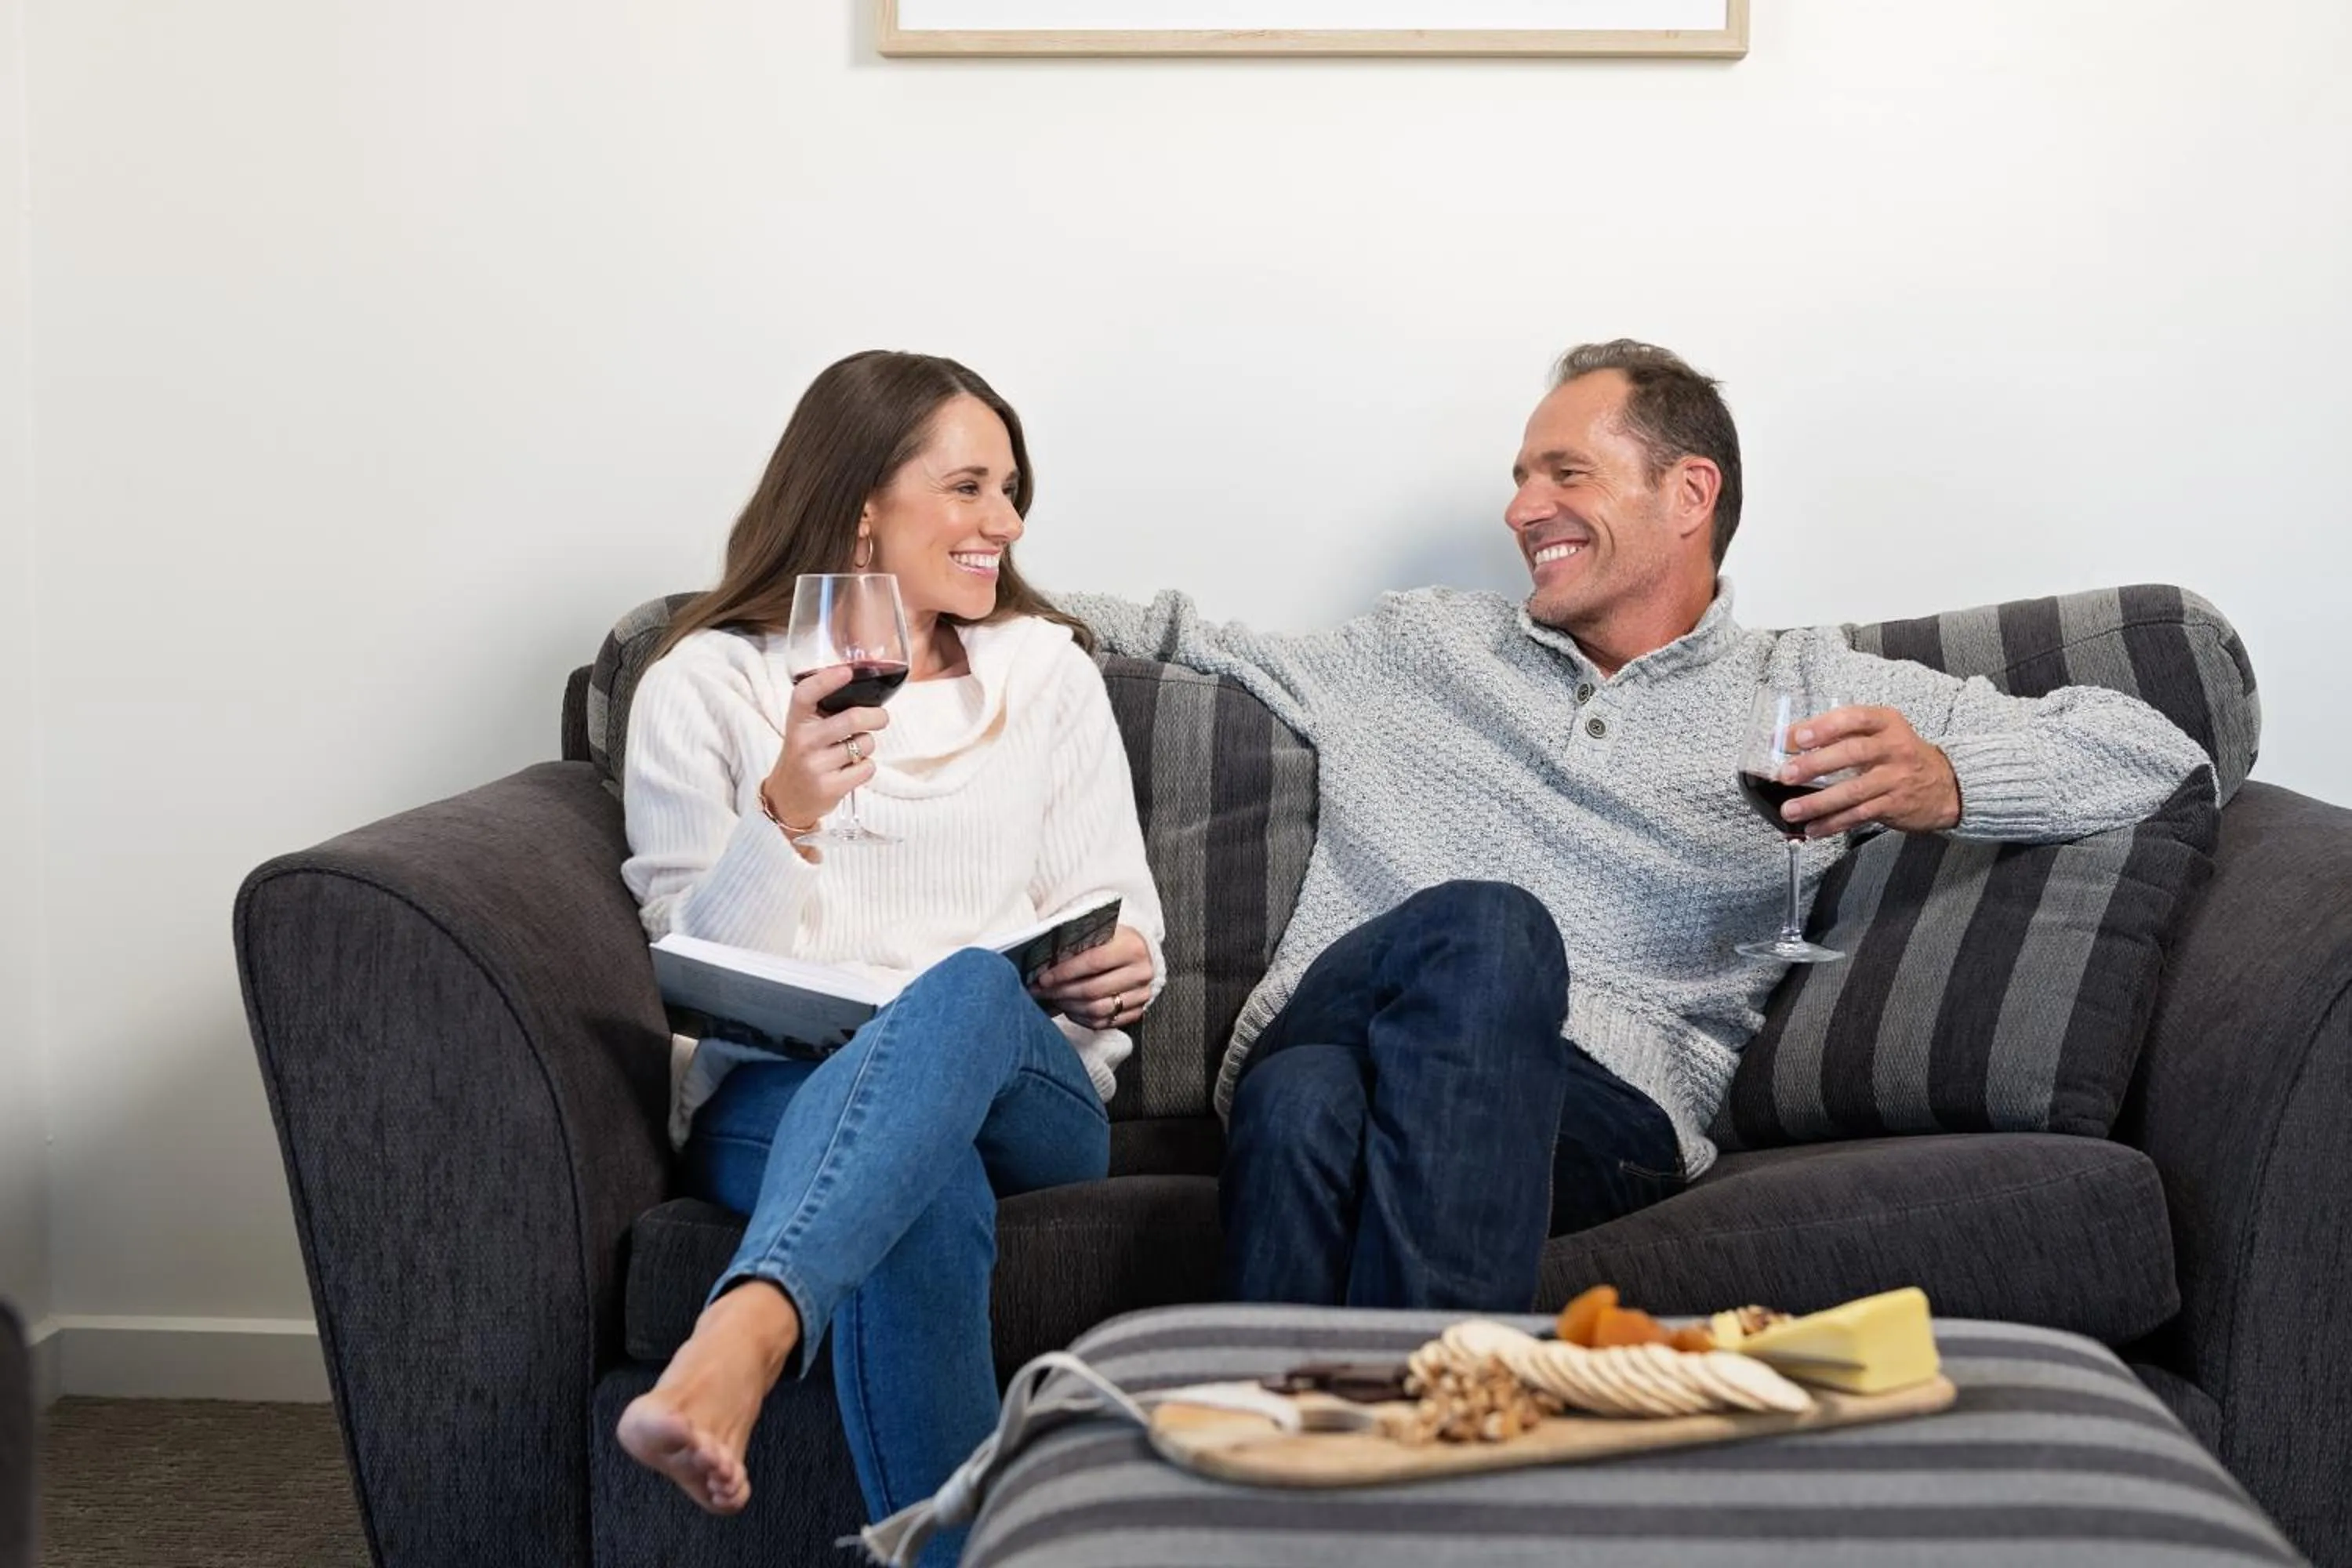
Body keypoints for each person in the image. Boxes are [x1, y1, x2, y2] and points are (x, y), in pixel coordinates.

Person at [1064, 339, 2209, 1313]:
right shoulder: (1421, 646)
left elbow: (2157, 750)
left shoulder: (1806, 689)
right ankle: (1450, 1448)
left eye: (1566, 472)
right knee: (1481, 932)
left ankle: (1286, 1474)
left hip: (1598, 1102)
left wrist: (1949, 780)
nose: (1521, 509)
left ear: (1689, 495)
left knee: (1309, 1110)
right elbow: (1170, 633)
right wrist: (940, 586)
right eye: (1520, 477)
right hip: (1339, 1009)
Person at [612, 350, 1165, 1561]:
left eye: (1011, 491)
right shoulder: (703, 687)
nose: (1004, 523)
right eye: (970, 487)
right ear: (865, 500)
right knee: (921, 1191)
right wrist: (786, 817)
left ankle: (748, 1330)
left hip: (1026, 1089)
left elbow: (1121, 908)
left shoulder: (1046, 670)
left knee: (960, 986)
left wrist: (1128, 961)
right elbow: (691, 977)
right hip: (783, 1093)